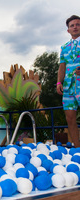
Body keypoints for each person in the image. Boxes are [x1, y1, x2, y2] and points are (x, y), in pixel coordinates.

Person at [57, 15, 80, 147]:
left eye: (77, 24)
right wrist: (59, 82)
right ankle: (78, 149)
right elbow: (62, 66)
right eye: (72, 25)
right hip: (68, 87)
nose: (75, 27)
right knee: (70, 118)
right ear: (68, 30)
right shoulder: (64, 47)